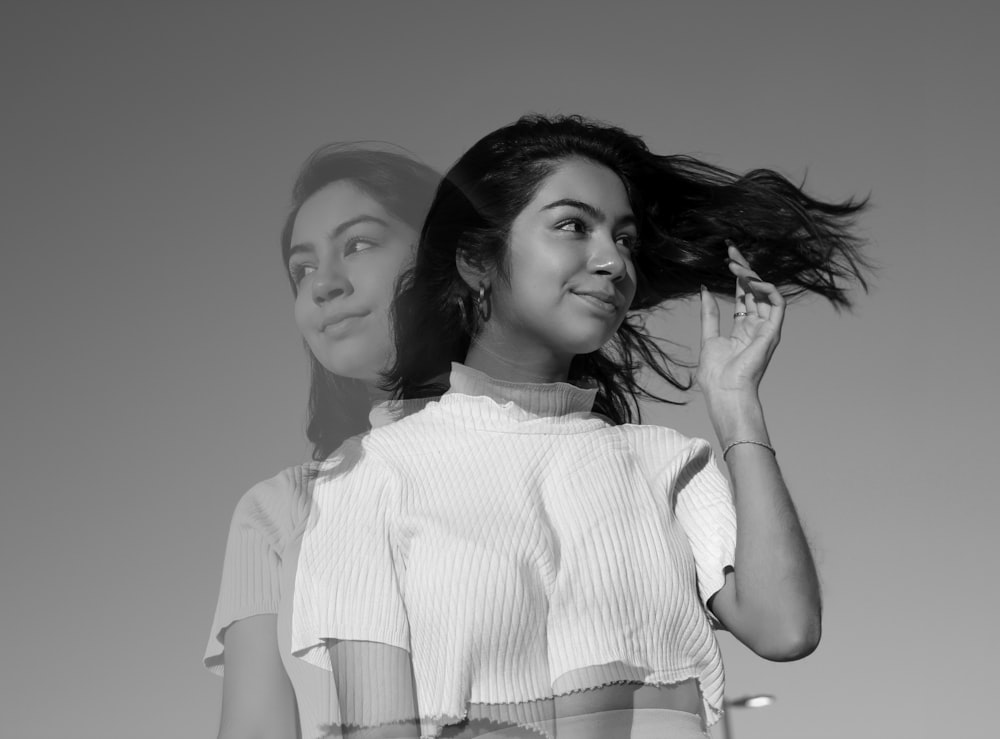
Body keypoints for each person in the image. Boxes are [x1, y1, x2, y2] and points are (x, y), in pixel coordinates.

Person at [291, 115, 871, 739]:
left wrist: (735, 403)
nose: (613, 261)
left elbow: (786, 628)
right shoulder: (374, 474)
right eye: (573, 226)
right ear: (477, 259)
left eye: (625, 239)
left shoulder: (667, 462)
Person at [203, 144, 440, 739]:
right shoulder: (278, 513)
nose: (322, 285)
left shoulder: (577, 459)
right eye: (301, 270)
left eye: (359, 244)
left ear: (451, 255)